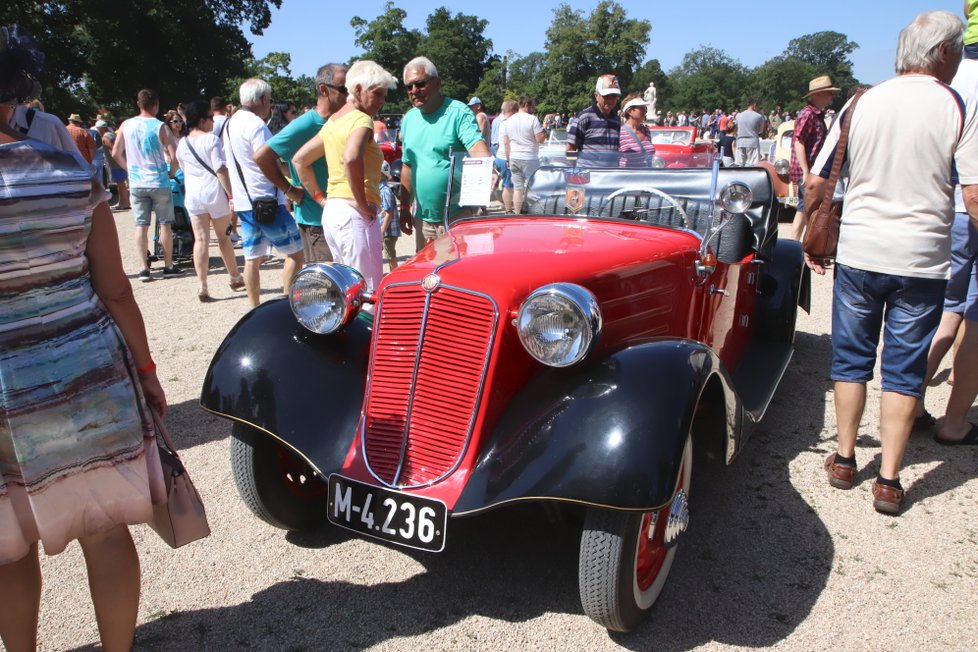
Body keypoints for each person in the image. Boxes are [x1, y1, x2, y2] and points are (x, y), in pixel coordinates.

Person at [0, 26, 168, 651]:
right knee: (105, 529)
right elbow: (116, 289)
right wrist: (147, 373)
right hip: (85, 370)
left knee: (7, 546)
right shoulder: (68, 171)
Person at [809, 10, 978, 514]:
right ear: (943, 52)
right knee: (903, 370)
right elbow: (972, 193)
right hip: (921, 258)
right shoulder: (957, 106)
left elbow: (819, 181)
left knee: (851, 358)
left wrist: (806, 230)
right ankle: (888, 479)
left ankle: (843, 460)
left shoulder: (861, 102)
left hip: (861, 252)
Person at [916, 28, 978, 445]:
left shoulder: (953, 79)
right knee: (974, 319)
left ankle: (914, 398)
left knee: (951, 309)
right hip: (971, 202)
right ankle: (955, 421)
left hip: (948, 207)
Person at [293, 60, 396, 296]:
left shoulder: (333, 121)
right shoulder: (362, 120)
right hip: (355, 212)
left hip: (333, 213)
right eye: (377, 93)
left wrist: (321, 200)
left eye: (384, 95)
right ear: (358, 89)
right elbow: (351, 158)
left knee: (348, 292)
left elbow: (300, 160)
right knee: (369, 292)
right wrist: (362, 203)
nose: (381, 101)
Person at [255, 63, 347, 265]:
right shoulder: (305, 124)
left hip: (340, 217)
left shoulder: (340, 120)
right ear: (324, 89)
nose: (349, 95)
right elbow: (262, 157)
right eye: (343, 89)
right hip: (317, 222)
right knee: (326, 287)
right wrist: (289, 190)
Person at [223, 78, 304, 307]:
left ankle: (254, 307)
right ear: (260, 99)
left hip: (245, 202)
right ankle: (285, 304)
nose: (270, 105)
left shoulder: (229, 124)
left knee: (252, 258)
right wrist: (289, 188)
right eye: (269, 100)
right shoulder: (257, 125)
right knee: (297, 253)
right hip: (266, 200)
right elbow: (268, 161)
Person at [397, 56, 491, 246]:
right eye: (409, 87)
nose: (414, 91)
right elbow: (408, 165)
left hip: (458, 216)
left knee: (460, 273)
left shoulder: (458, 112)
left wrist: (487, 166)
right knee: (427, 274)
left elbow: (476, 146)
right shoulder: (409, 119)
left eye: (420, 84)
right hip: (424, 219)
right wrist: (405, 207)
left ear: (437, 83)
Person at [174, 99, 244, 301]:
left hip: (194, 195)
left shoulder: (182, 143)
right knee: (224, 237)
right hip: (213, 193)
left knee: (201, 240)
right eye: (211, 118)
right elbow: (220, 169)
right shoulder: (212, 140)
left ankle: (202, 285)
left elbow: (182, 167)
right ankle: (234, 276)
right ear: (203, 119)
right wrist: (231, 195)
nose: (213, 122)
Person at [112, 88, 183, 282]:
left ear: (138, 104)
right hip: (158, 180)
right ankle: (168, 265)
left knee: (141, 225)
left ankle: (144, 268)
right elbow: (174, 155)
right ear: (156, 105)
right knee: (165, 224)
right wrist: (171, 172)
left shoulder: (126, 125)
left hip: (137, 182)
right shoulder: (160, 126)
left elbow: (115, 153)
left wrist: (130, 169)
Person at [789, 75, 841, 241]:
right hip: (809, 171)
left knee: (805, 208)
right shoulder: (808, 115)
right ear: (817, 94)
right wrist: (805, 170)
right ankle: (795, 244)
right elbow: (798, 141)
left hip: (812, 170)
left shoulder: (816, 115)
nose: (832, 97)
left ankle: (798, 244)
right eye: (829, 93)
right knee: (804, 208)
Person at [566, 73, 622, 166]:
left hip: (611, 176)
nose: (610, 100)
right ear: (596, 95)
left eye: (614, 96)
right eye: (606, 96)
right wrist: (573, 170)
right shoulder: (584, 117)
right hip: (588, 176)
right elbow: (570, 148)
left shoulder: (617, 121)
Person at [502, 95, 545, 214]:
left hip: (514, 156)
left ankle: (517, 213)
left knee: (517, 188)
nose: (533, 109)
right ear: (526, 105)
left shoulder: (508, 121)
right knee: (534, 187)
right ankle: (535, 212)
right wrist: (544, 131)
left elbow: (506, 143)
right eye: (532, 106)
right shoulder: (532, 119)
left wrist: (508, 159)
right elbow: (540, 139)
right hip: (529, 157)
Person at [490, 99, 517, 214]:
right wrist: (509, 159)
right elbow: (507, 143)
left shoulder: (498, 121)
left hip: (498, 155)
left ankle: (488, 202)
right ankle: (508, 209)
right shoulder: (508, 123)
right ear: (512, 110)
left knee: (499, 182)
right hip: (505, 157)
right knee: (508, 185)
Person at [618, 94, 654, 168]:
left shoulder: (646, 131)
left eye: (645, 107)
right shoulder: (620, 133)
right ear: (630, 111)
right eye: (641, 107)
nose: (645, 110)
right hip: (628, 177)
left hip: (647, 177)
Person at [379, 159, 399, 271]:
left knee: (390, 256)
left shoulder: (384, 191)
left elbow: (388, 213)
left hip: (387, 231)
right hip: (385, 230)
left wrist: (382, 231)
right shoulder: (380, 190)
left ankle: (395, 275)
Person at [734, 99, 767, 166]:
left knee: (740, 165)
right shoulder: (758, 116)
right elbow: (761, 131)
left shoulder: (738, 115)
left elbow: (737, 128)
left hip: (740, 142)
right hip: (752, 142)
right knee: (753, 166)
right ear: (754, 105)